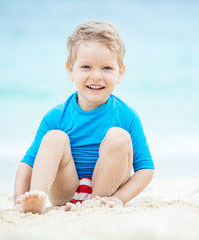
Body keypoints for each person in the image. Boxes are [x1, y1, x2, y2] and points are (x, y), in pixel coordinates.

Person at [13, 20, 155, 214]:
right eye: (86, 67)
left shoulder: (127, 116)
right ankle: (38, 198)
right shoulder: (56, 116)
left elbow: (145, 169)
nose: (96, 76)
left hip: (104, 191)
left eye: (107, 68)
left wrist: (119, 198)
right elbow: (28, 163)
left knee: (119, 136)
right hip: (66, 190)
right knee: (55, 137)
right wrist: (19, 197)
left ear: (120, 73)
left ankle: (96, 203)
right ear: (70, 70)